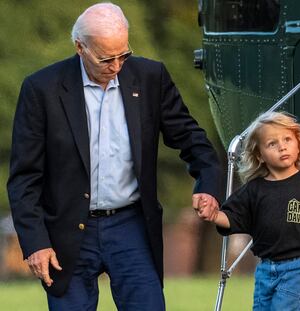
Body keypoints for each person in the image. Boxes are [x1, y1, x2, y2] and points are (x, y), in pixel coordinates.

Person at [7, 2, 222, 310]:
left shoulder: (150, 77)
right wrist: (35, 242)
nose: (117, 65)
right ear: (80, 47)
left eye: (124, 54)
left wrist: (208, 183)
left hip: (131, 225)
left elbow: (191, 137)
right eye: (107, 58)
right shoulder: (41, 89)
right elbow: (24, 178)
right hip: (67, 231)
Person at [197, 111, 300, 311]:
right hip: (266, 269)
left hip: (299, 267)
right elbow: (234, 217)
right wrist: (214, 215)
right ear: (260, 155)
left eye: (287, 139)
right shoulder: (254, 189)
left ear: (298, 143)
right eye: (272, 143)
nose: (282, 146)